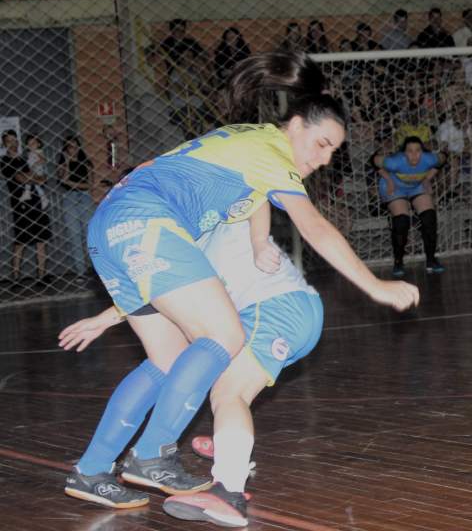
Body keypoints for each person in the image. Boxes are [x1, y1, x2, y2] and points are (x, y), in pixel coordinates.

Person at [63, 51, 419, 511]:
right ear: (295, 126)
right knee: (224, 335)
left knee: (169, 360)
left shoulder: (244, 148)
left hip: (115, 230)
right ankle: (151, 455)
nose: (326, 159)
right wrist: (375, 286)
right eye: (323, 144)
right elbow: (313, 227)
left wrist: (109, 315)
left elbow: (198, 246)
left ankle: (91, 470)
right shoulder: (271, 152)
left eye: (334, 151)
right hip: (145, 221)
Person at [60, 218, 327, 527]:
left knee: (207, 379)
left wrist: (105, 318)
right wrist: (105, 319)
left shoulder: (193, 219)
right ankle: (227, 474)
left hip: (271, 307)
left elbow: (257, 189)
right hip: (269, 308)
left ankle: (225, 482)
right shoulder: (185, 224)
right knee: (196, 373)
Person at [372, 136, 446, 277]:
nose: (414, 155)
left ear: (422, 152)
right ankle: (398, 262)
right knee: (402, 221)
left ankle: (431, 260)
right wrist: (388, 179)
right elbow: (373, 160)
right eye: (410, 151)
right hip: (395, 186)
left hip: (417, 186)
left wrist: (427, 178)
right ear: (404, 153)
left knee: (429, 218)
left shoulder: (429, 159)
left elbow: (444, 157)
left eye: (418, 151)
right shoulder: (394, 162)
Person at [1, 129, 51, 284]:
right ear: (4, 144)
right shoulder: (4, 161)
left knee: (41, 239)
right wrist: (33, 175)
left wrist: (32, 177)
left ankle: (41, 275)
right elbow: (21, 179)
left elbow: (42, 179)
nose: (13, 143)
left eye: (15, 140)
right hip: (20, 205)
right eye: (9, 141)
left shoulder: (24, 159)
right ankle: (16, 277)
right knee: (20, 241)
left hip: (36, 201)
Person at [57, 135, 95, 283]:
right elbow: (62, 179)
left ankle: (96, 268)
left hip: (85, 198)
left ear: (79, 147)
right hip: (69, 198)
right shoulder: (62, 163)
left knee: (89, 235)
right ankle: (80, 271)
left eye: (74, 146)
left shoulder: (86, 163)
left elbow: (90, 185)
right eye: (69, 147)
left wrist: (71, 183)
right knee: (74, 236)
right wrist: (66, 162)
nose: (72, 149)